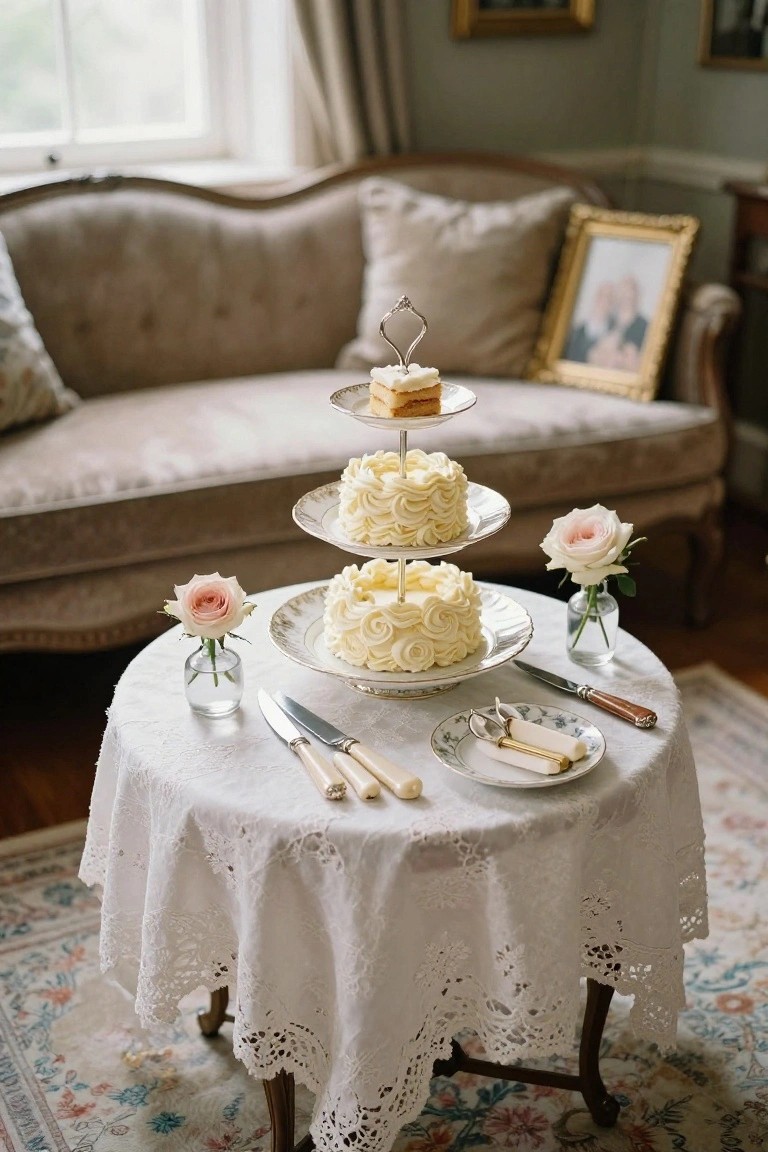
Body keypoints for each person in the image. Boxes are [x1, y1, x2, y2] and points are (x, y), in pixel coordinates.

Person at [563, 280, 616, 364]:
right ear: (596, 298)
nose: (605, 301)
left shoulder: (614, 332)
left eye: (609, 298)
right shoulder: (577, 331)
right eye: (602, 296)